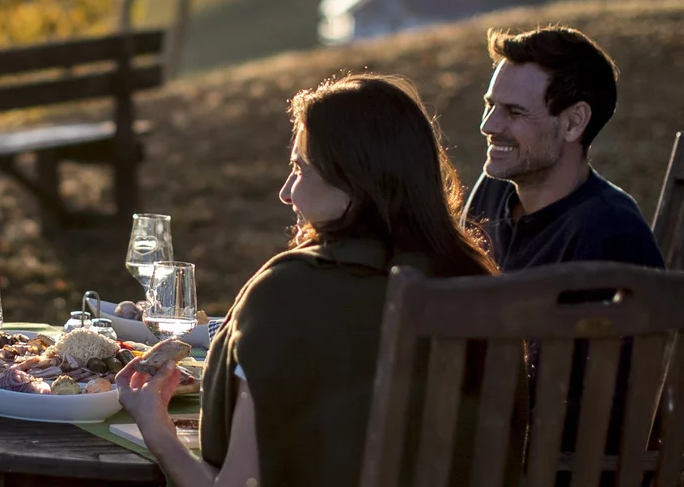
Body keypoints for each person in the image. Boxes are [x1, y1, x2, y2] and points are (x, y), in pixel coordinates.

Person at [113, 74, 514, 487]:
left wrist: (154, 425)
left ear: (355, 183)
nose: (287, 193)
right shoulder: (479, 282)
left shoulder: (290, 295)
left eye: (300, 169)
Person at [466, 26, 663, 271]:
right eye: (490, 105)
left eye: (515, 112)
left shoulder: (612, 237)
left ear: (574, 122)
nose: (488, 126)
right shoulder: (494, 187)